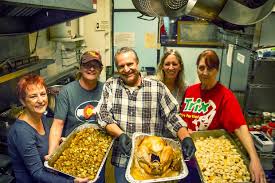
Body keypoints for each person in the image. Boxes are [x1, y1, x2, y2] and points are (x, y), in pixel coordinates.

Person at [96, 47, 196, 183]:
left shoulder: (156, 87)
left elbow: (172, 116)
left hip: (153, 161)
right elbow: (103, 114)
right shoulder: (111, 85)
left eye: (130, 64)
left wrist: (185, 137)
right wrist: (121, 134)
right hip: (122, 159)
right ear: (117, 69)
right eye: (121, 66)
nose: (126, 69)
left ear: (137, 63)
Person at [180, 50, 266, 183]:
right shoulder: (190, 91)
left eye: (210, 68)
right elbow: (182, 119)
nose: (205, 72)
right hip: (187, 153)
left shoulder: (225, 96)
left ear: (217, 69)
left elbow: (239, 126)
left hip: (209, 159)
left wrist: (254, 158)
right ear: (197, 67)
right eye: (201, 67)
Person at [7, 74, 88, 183]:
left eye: (43, 94)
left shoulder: (41, 117)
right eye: (33, 96)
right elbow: (37, 173)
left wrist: (63, 144)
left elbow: (44, 144)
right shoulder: (21, 132)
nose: (40, 100)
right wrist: (71, 182)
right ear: (23, 101)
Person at [48, 50, 105, 183]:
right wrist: (52, 153)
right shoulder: (67, 92)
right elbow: (57, 124)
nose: (91, 68)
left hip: (98, 152)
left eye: (95, 65)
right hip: (73, 152)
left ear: (101, 69)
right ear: (80, 67)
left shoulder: (106, 90)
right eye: (87, 65)